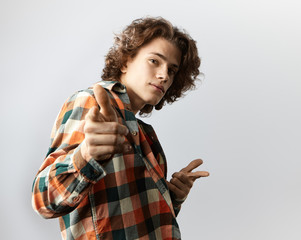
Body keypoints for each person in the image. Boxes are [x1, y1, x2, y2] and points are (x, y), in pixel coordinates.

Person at [32, 16, 209, 240]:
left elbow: (134, 220)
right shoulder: (92, 102)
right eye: (155, 61)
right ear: (125, 61)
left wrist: (174, 197)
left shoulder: (146, 135)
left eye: (172, 70)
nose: (164, 75)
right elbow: (44, 201)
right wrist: (86, 155)